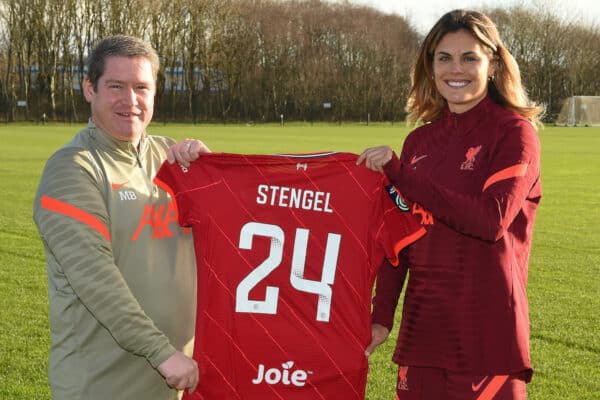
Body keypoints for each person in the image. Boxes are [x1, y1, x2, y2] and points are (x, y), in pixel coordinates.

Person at [357, 9, 543, 400]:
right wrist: (381, 316)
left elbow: (491, 220)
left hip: (487, 343)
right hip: (422, 340)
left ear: (492, 64)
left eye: (469, 57)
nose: (455, 69)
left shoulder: (514, 133)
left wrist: (401, 174)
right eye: (444, 57)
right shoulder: (419, 144)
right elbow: (399, 240)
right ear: (430, 65)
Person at [33, 35, 209, 400]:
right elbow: (94, 279)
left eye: (141, 88)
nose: (130, 101)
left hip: (176, 383)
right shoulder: (71, 170)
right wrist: (162, 353)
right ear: (89, 88)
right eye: (116, 86)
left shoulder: (171, 158)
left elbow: (233, 235)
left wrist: (211, 176)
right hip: (103, 387)